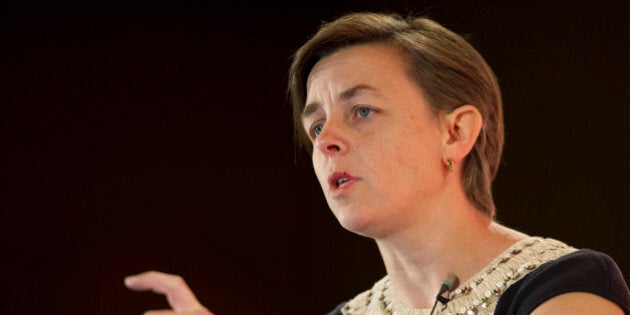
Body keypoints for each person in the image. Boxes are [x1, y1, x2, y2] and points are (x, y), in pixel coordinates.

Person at [125, 11, 630, 314]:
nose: (327, 142)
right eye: (316, 125)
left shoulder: (564, 287)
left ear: (455, 132)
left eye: (362, 111)